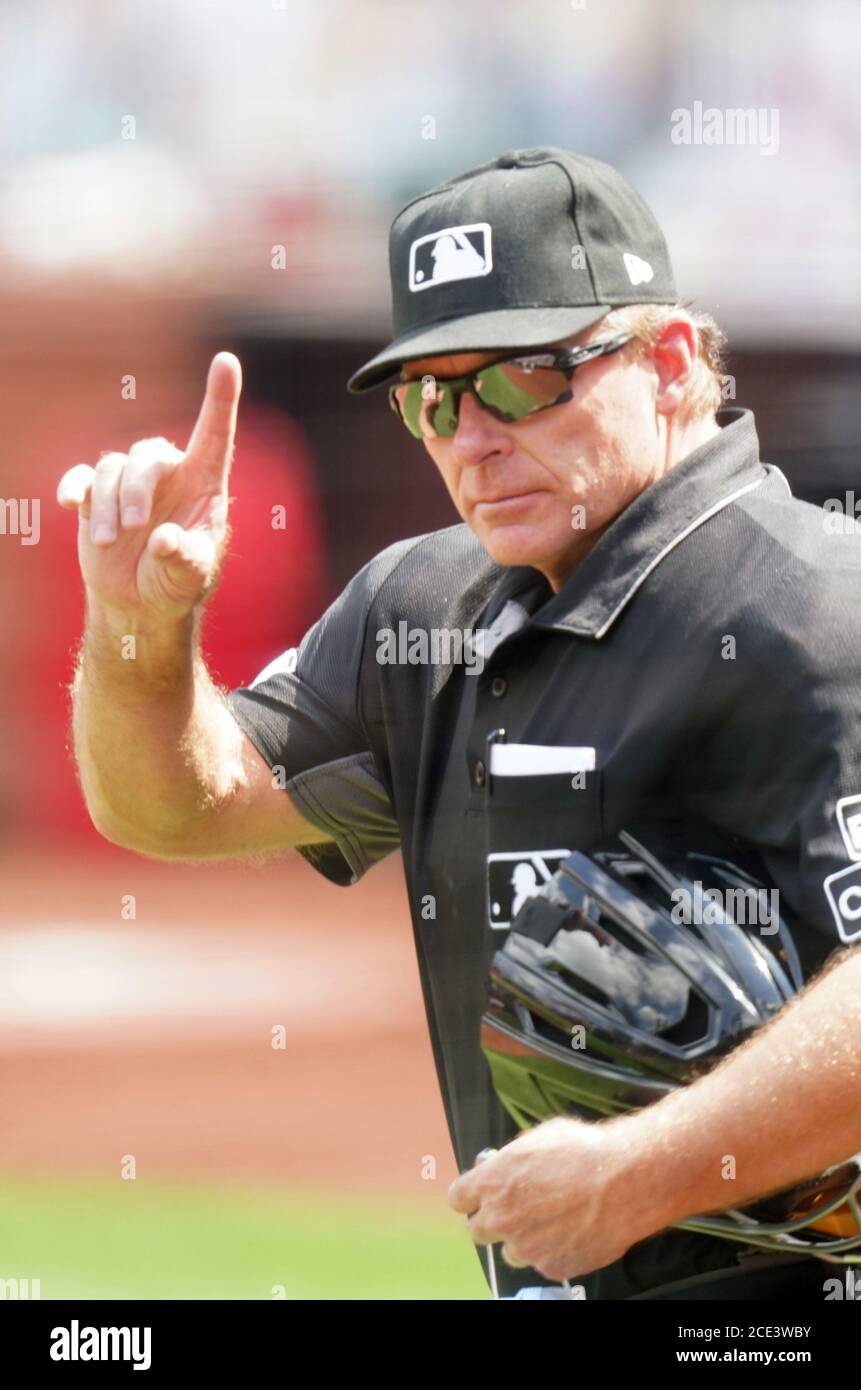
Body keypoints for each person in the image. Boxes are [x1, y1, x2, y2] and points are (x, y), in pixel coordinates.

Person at [58, 147, 861, 1299]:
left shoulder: (819, 610)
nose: (470, 438)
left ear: (671, 361)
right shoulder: (424, 610)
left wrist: (641, 1172)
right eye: (430, 397)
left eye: (521, 380)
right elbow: (173, 806)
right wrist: (137, 627)